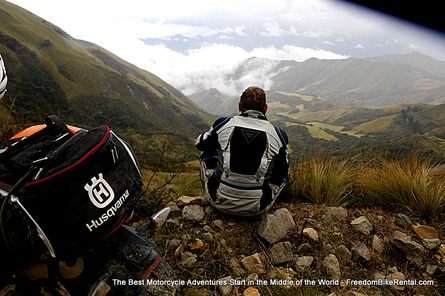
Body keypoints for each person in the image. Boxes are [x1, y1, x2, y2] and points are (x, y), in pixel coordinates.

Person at [196, 86, 289, 216]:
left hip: (219, 201)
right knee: (282, 168)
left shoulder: (224, 124)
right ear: (265, 108)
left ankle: (216, 185)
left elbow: (200, 144)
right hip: (257, 207)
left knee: (207, 153)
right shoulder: (278, 134)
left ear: (240, 106)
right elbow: (283, 171)